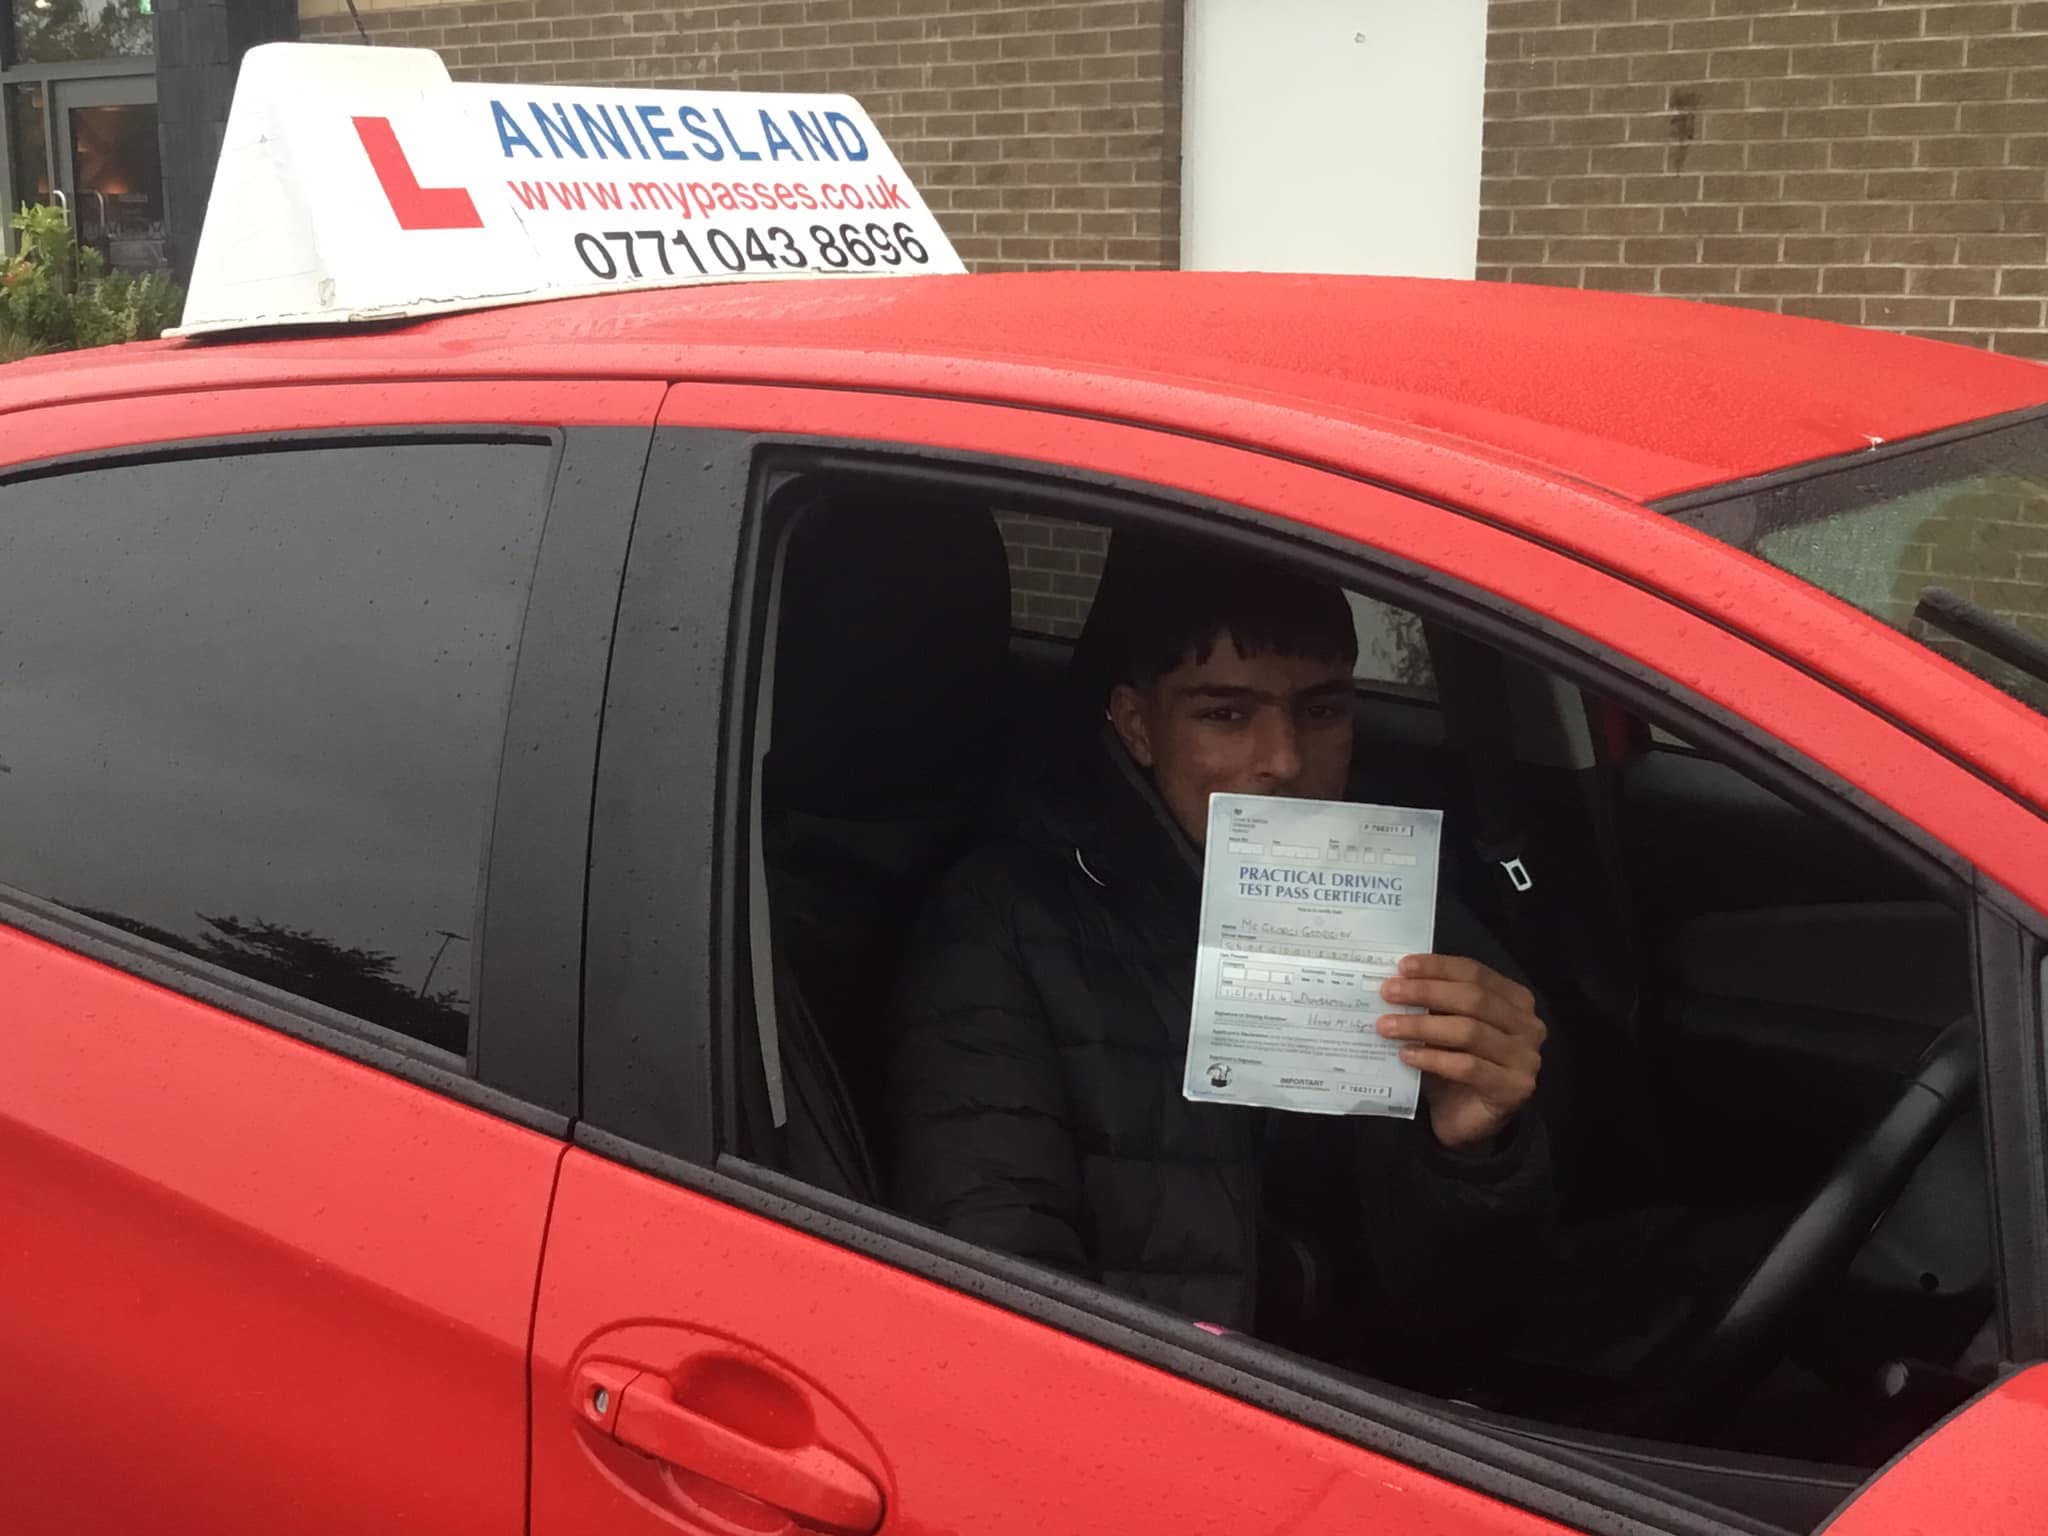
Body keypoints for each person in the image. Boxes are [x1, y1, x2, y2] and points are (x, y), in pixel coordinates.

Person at [887, 532, 1557, 1386]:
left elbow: (1477, 1323)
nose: (1283, 762)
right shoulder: (1006, 924)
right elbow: (999, 1304)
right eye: (1225, 714)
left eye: (1320, 710)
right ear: (1137, 727)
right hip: (1169, 1424)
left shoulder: (1411, 911)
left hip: (1386, 1412)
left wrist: (1474, 1156)